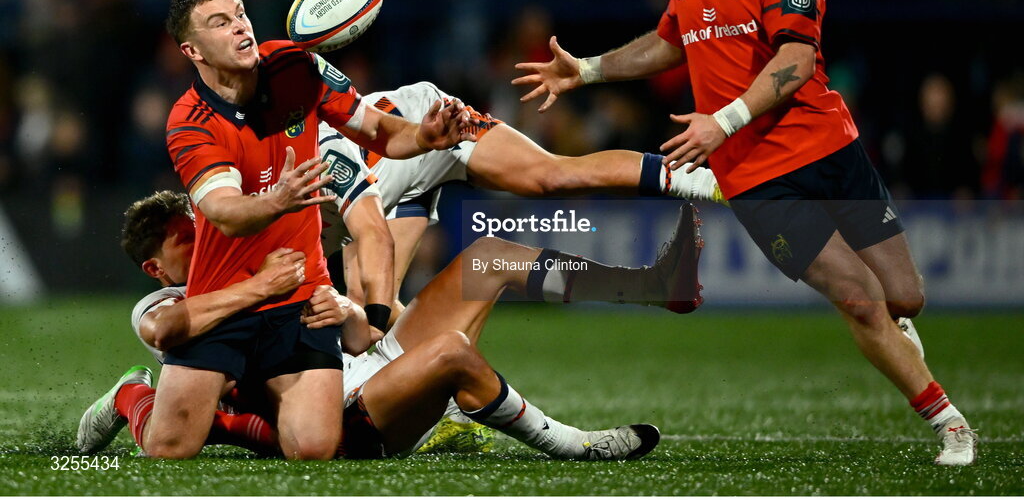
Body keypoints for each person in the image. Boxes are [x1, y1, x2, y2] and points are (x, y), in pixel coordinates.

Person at [512, 0, 976, 466]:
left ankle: (897, 331)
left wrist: (721, 122)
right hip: (755, 181)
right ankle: (949, 422)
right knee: (860, 298)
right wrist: (590, 69)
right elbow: (667, 42)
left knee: (904, 296)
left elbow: (798, 60)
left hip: (828, 150)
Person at [79, 190, 702, 460]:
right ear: (155, 265)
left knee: (490, 258)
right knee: (453, 353)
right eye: (188, 241)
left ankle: (650, 284)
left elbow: (360, 338)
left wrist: (346, 309)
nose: (208, 240)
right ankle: (574, 444)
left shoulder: (262, 259)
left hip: (363, 365)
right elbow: (168, 332)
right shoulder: (163, 307)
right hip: (352, 414)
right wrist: (262, 288)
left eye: (204, 227)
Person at [151, 0, 472, 460]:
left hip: (302, 296)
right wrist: (279, 199)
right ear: (192, 51)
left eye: (239, 13)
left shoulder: (296, 68)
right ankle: (134, 397)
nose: (240, 28)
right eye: (220, 23)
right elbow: (223, 212)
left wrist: (424, 137)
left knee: (315, 449)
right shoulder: (189, 119)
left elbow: (380, 131)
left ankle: (247, 410)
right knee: (168, 452)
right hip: (224, 298)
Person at [318, 80, 721, 317]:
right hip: (383, 180)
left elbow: (371, 241)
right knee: (376, 308)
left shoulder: (303, 203)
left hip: (423, 119)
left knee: (551, 176)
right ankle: (649, 286)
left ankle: (706, 183)